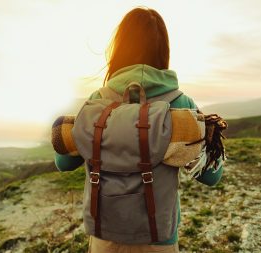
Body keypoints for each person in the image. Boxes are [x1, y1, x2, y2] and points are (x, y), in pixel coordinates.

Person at [54, 7, 224, 253]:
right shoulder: (180, 104)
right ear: (164, 51)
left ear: (119, 48)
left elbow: (63, 163)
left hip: (105, 239)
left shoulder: (97, 101)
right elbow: (211, 176)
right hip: (159, 241)